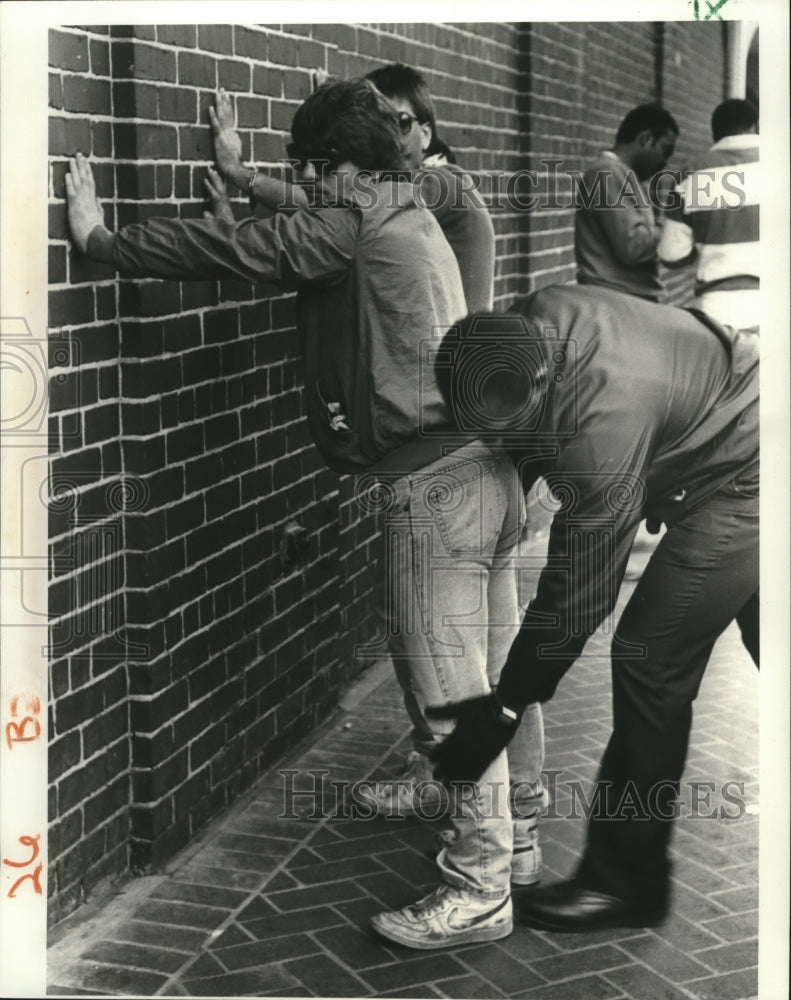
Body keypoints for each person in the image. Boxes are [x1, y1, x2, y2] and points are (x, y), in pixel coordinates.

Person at [64, 77, 538, 949]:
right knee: (493, 687)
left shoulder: (350, 221)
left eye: (310, 172)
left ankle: (478, 889)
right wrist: (247, 178)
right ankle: (519, 849)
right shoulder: (404, 201)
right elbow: (297, 219)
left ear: (338, 167)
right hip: (487, 474)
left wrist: (103, 238)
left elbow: (245, 250)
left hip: (434, 492)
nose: (307, 186)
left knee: (448, 700)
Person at [205, 68, 546, 836]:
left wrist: (248, 191)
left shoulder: (437, 188)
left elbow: (328, 220)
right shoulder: (397, 200)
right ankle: (510, 821)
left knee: (454, 674)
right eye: (375, 119)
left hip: (443, 461)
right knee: (478, 668)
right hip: (473, 448)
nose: (385, 133)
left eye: (395, 119)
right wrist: (249, 180)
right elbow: (325, 212)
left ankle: (484, 855)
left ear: (423, 130)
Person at [425, 283, 758, 932]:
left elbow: (579, 594)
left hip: (748, 464)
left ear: (543, 376)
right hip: (737, 413)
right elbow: (517, 432)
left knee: (649, 658)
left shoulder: (599, 424)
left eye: (515, 426)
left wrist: (503, 706)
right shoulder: (524, 325)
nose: (504, 444)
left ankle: (623, 883)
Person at [659, 98, 759, 333]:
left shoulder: (688, 175)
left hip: (715, 314)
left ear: (715, 134)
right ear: (754, 126)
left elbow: (672, 254)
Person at [574, 103, 679, 301]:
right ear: (646, 138)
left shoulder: (627, 175)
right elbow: (633, 246)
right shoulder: (607, 172)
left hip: (626, 299)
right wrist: (677, 227)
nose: (665, 161)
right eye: (666, 150)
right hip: (617, 300)